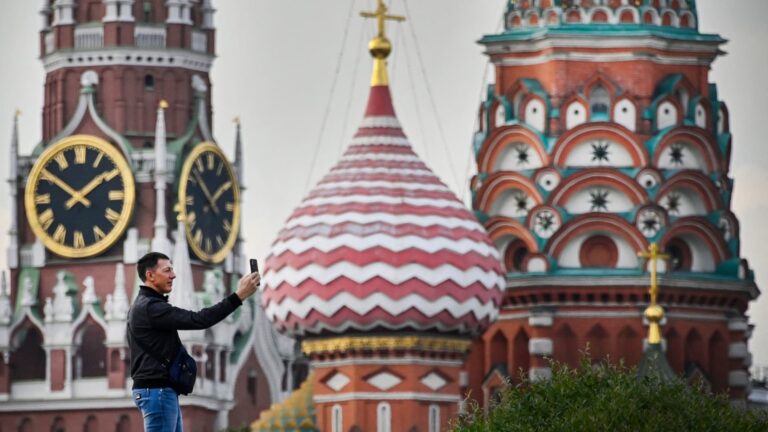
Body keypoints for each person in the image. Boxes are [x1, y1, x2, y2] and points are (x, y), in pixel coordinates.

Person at [128, 252, 260, 431]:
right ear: (150, 275)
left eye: (172, 270)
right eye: (167, 270)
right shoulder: (152, 308)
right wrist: (239, 296)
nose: (173, 275)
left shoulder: (145, 305)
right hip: (157, 392)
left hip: (159, 391)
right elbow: (199, 320)